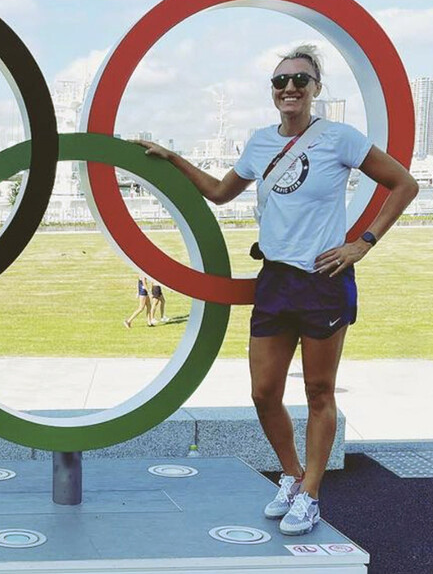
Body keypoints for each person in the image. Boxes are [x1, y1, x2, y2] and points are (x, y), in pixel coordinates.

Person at [132, 44, 417, 535]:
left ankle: (310, 493)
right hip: (276, 282)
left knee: (318, 391)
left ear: (316, 89)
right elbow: (221, 193)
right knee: (264, 392)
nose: (289, 87)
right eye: (280, 80)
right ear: (272, 90)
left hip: (324, 281)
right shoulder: (260, 142)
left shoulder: (339, 138)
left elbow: (404, 184)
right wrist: (174, 158)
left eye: (300, 80)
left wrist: (362, 243)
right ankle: (290, 474)